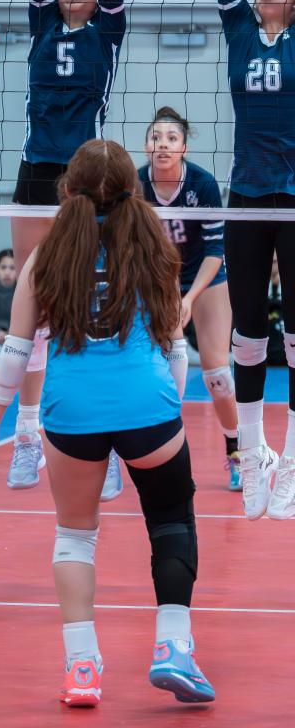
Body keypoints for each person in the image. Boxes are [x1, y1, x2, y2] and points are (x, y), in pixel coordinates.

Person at [0, 140, 214, 707]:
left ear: (68, 189)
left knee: (75, 536)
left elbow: (16, 352)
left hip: (71, 412)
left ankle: (82, 666)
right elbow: (175, 345)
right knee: (171, 521)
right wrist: (168, 408)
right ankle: (174, 647)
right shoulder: (153, 245)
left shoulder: (48, 254)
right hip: (147, 404)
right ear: (132, 189)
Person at [1, 0, 140, 493]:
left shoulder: (108, 30)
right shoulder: (41, 22)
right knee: (32, 303)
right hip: (36, 171)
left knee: (93, 302)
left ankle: (105, 440)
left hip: (88, 178)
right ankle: (27, 436)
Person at [211, 0, 295, 518]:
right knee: (248, 328)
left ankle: (292, 458)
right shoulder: (240, 28)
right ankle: (253, 453)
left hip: (294, 195)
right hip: (246, 193)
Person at [139, 106, 240, 489]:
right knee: (150, 368)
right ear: (146, 145)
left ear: (183, 147)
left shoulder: (203, 184)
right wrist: (164, 291)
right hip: (158, 278)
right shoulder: (136, 185)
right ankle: (145, 451)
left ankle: (238, 451)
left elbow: (216, 250)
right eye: (156, 137)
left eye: (171, 138)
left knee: (217, 373)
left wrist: (189, 297)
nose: (163, 145)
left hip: (206, 277)